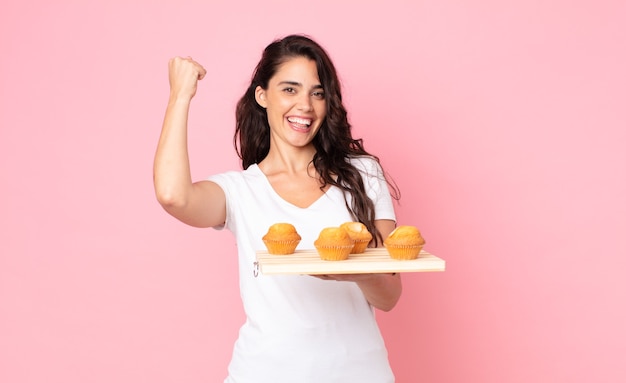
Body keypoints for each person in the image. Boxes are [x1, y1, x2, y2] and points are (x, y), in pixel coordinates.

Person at [153, 34, 402, 383]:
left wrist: (358, 273)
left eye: (317, 93)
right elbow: (173, 197)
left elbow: (390, 295)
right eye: (289, 89)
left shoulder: (362, 173)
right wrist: (181, 95)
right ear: (262, 96)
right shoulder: (240, 191)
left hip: (359, 373)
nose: (305, 105)